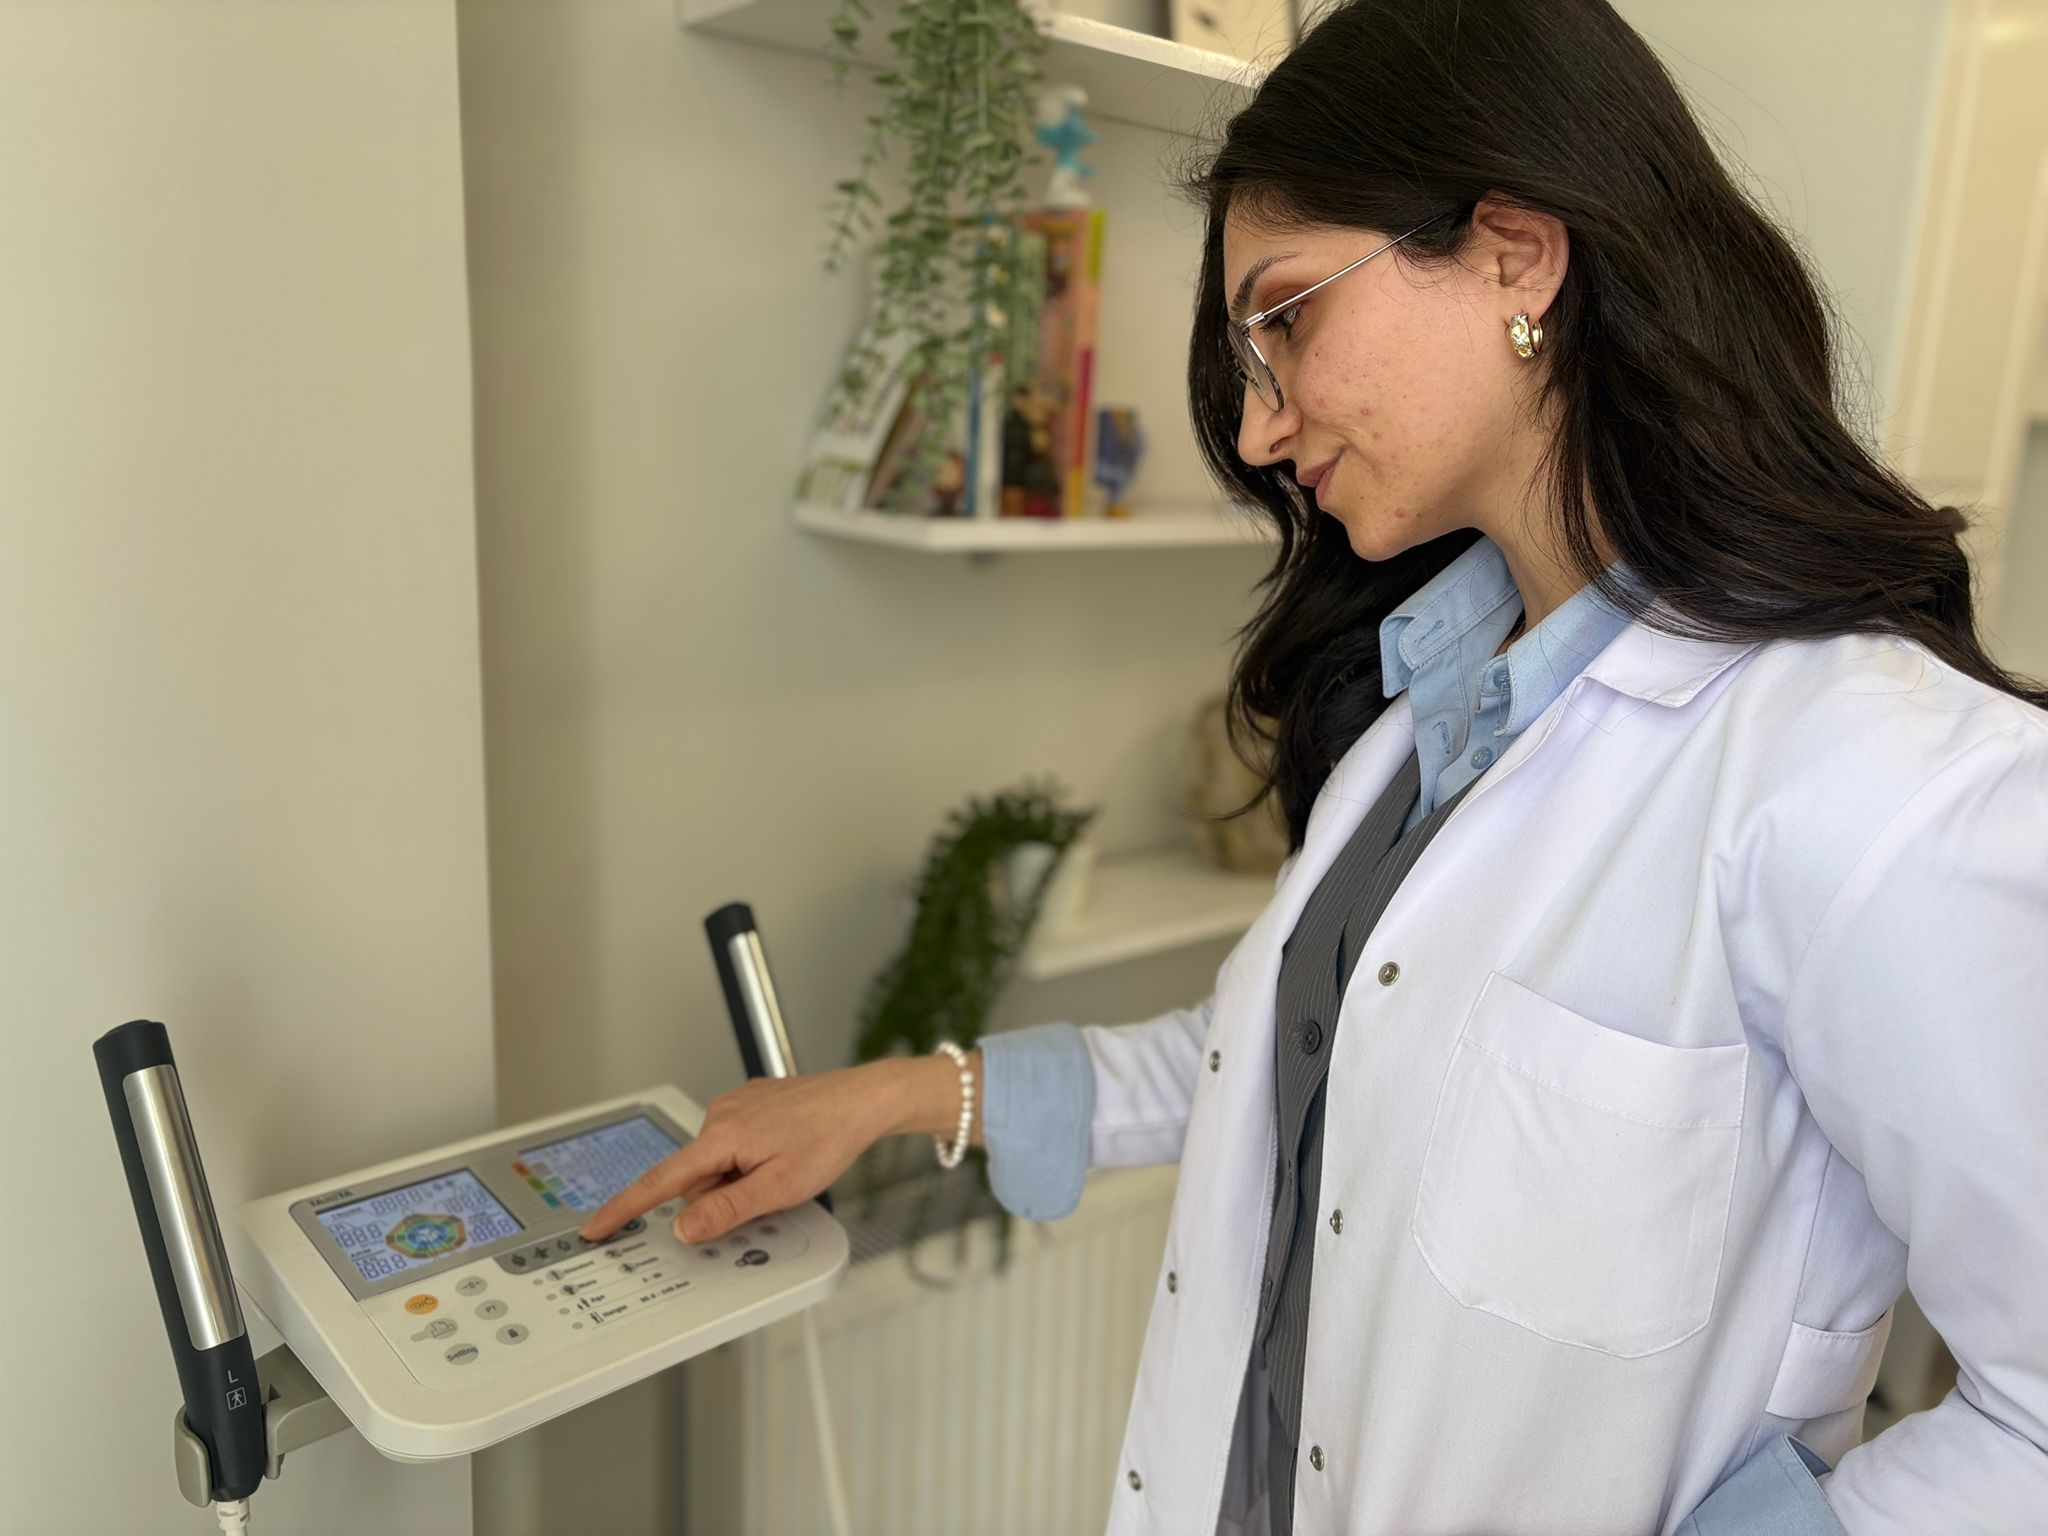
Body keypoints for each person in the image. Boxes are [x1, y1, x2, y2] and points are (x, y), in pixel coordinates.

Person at [581, 0, 2048, 1529]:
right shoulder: (1423, 717)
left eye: (1285, 318)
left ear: (1515, 257)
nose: (1262, 427)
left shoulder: (1875, 778)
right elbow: (1272, 1055)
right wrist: (901, 1096)